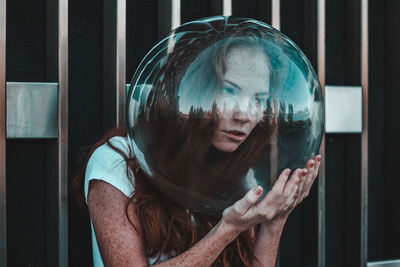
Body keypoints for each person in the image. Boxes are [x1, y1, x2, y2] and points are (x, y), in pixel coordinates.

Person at [71, 25, 322, 267]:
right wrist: (228, 229)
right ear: (194, 89)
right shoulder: (118, 163)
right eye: (229, 91)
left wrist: (275, 219)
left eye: (259, 100)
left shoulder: (242, 177)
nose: (245, 114)